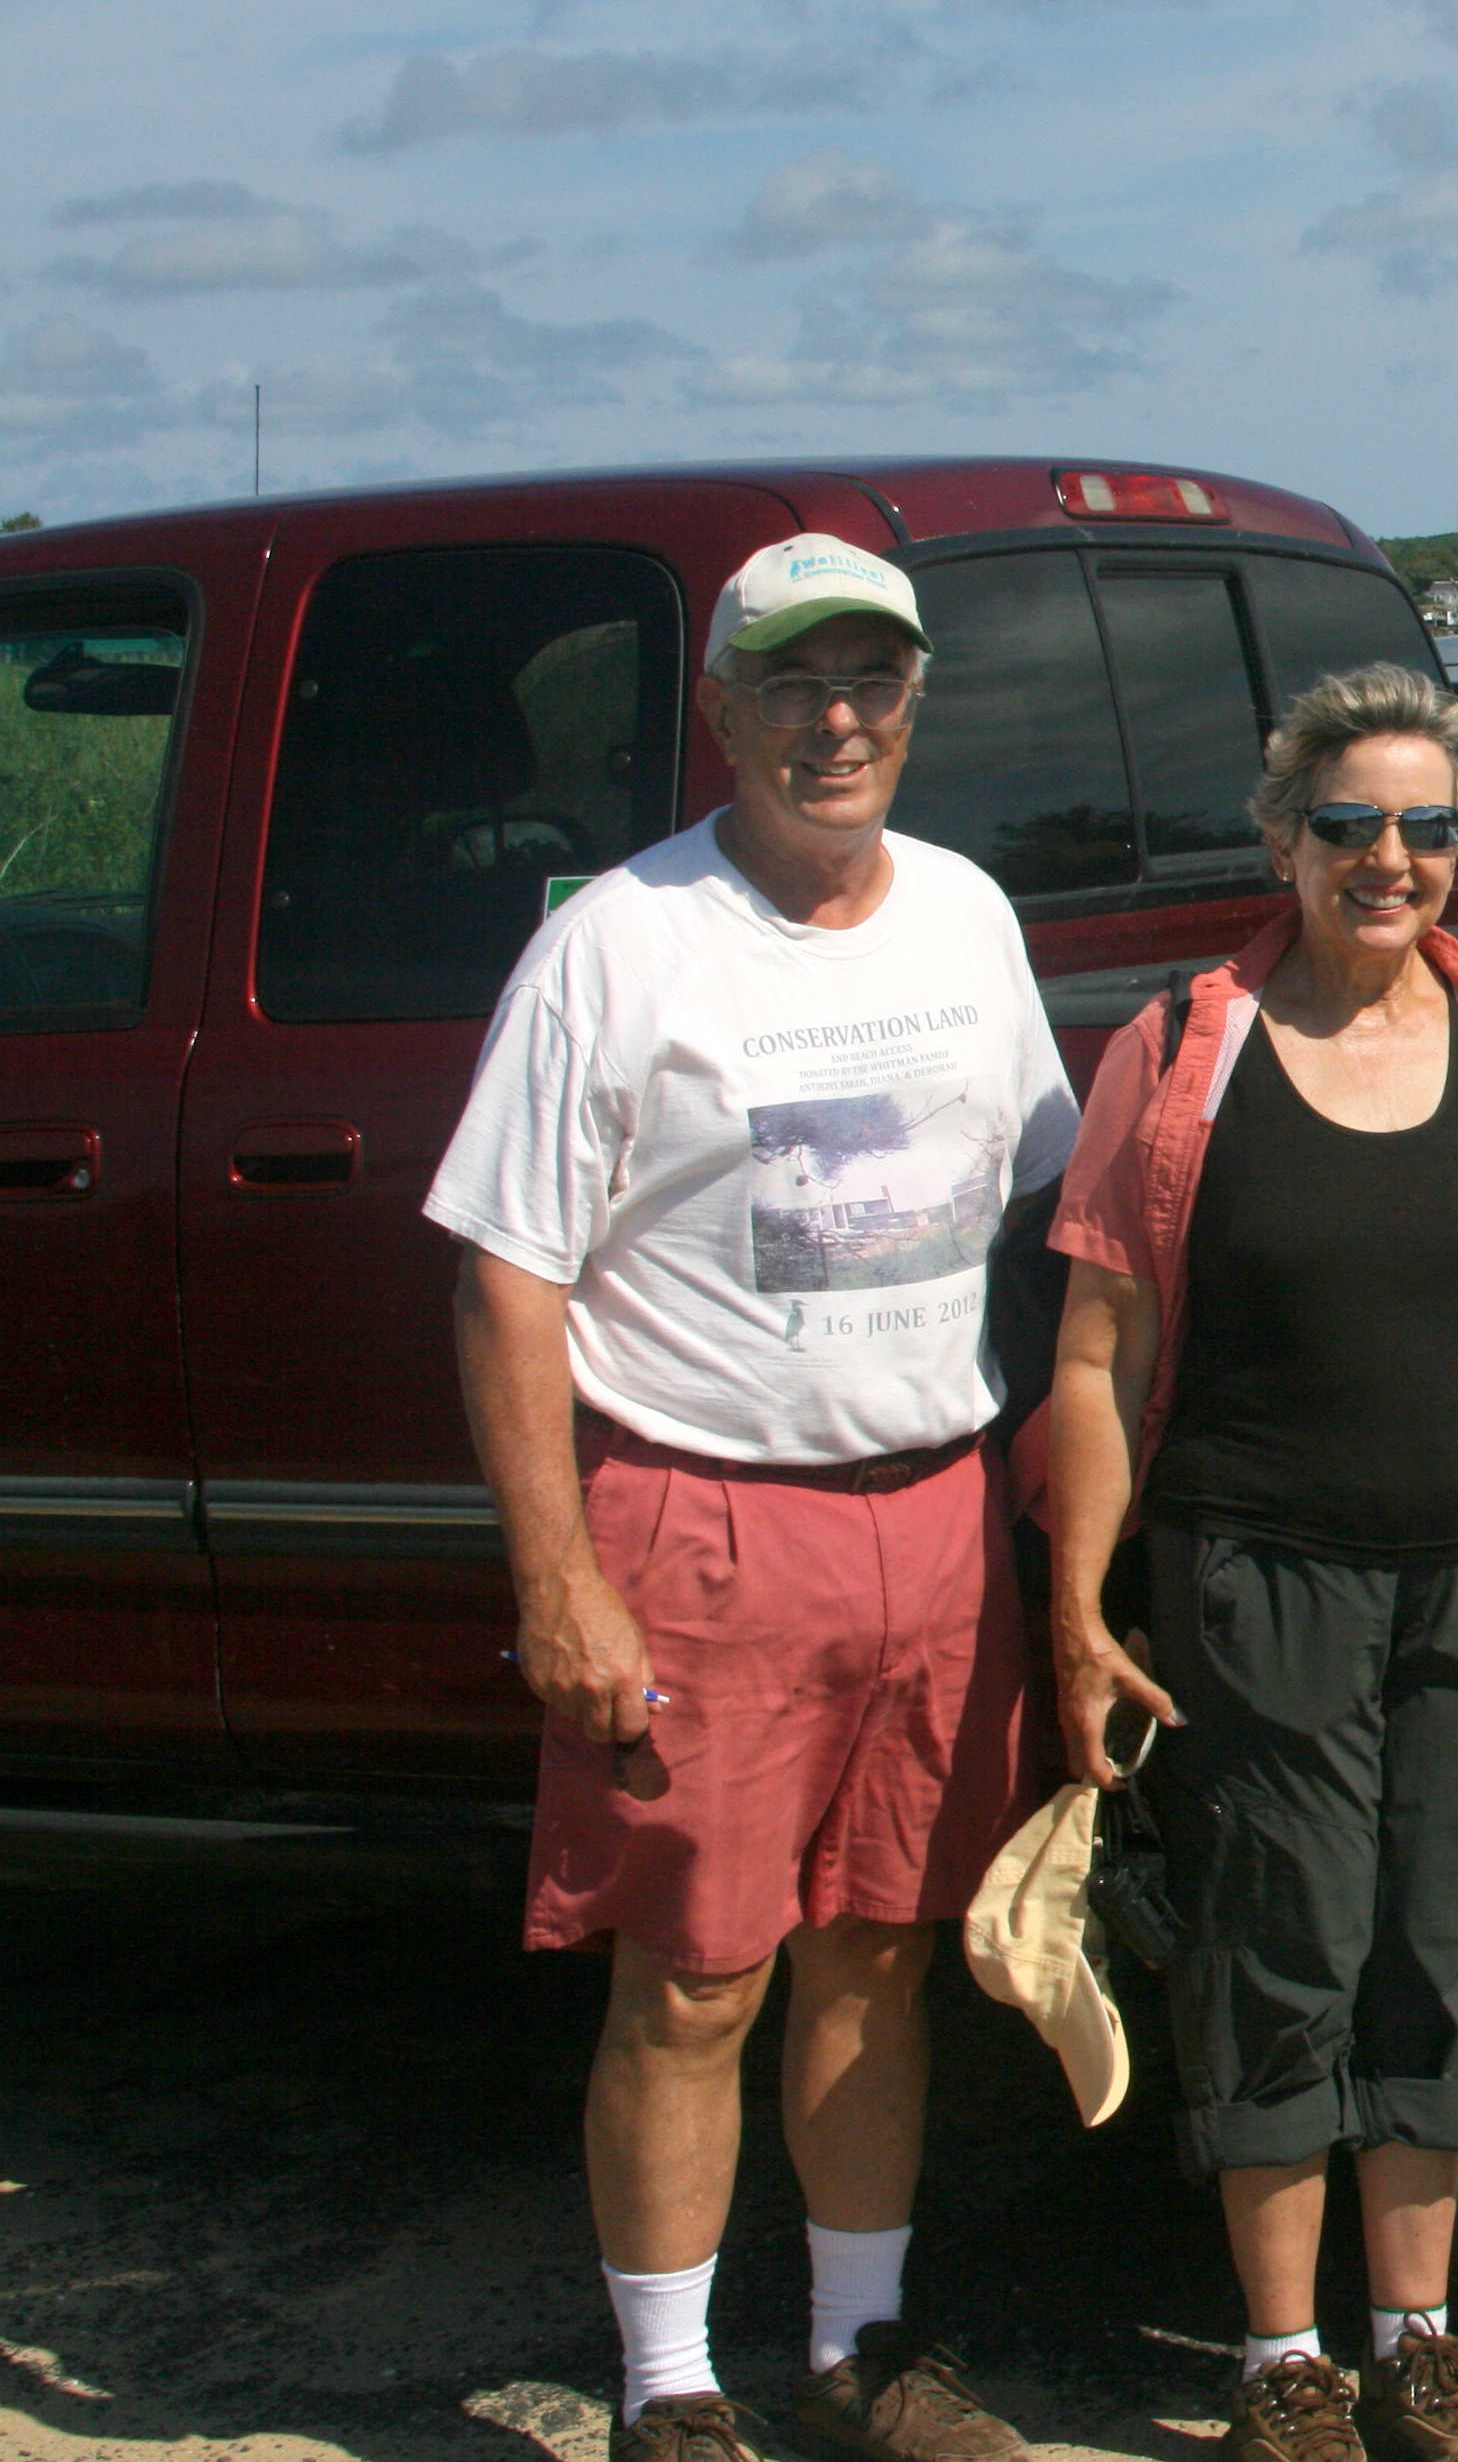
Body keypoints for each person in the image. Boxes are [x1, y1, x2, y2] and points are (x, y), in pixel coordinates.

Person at [430, 537, 1079, 2462]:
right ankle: (670, 2389)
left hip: (935, 1516)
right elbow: (504, 1276)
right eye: (794, 683)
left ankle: (859, 2355)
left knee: (880, 1955)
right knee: (695, 1979)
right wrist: (558, 1579)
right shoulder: (621, 943)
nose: (837, 720)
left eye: (872, 680)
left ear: (915, 702)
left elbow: (1040, 1200)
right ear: (721, 712)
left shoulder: (966, 914)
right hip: (701, 1529)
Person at [1044, 664, 1458, 2462]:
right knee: (1279, 1943)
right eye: (1349, 824)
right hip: (1262, 1573)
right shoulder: (1181, 1050)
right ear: (1283, 839)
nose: (1390, 859)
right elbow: (1099, 1352)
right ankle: (1281, 2361)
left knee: (1450, 1949)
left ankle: (1422, 2346)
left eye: (1427, 827)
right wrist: (1078, 1610)